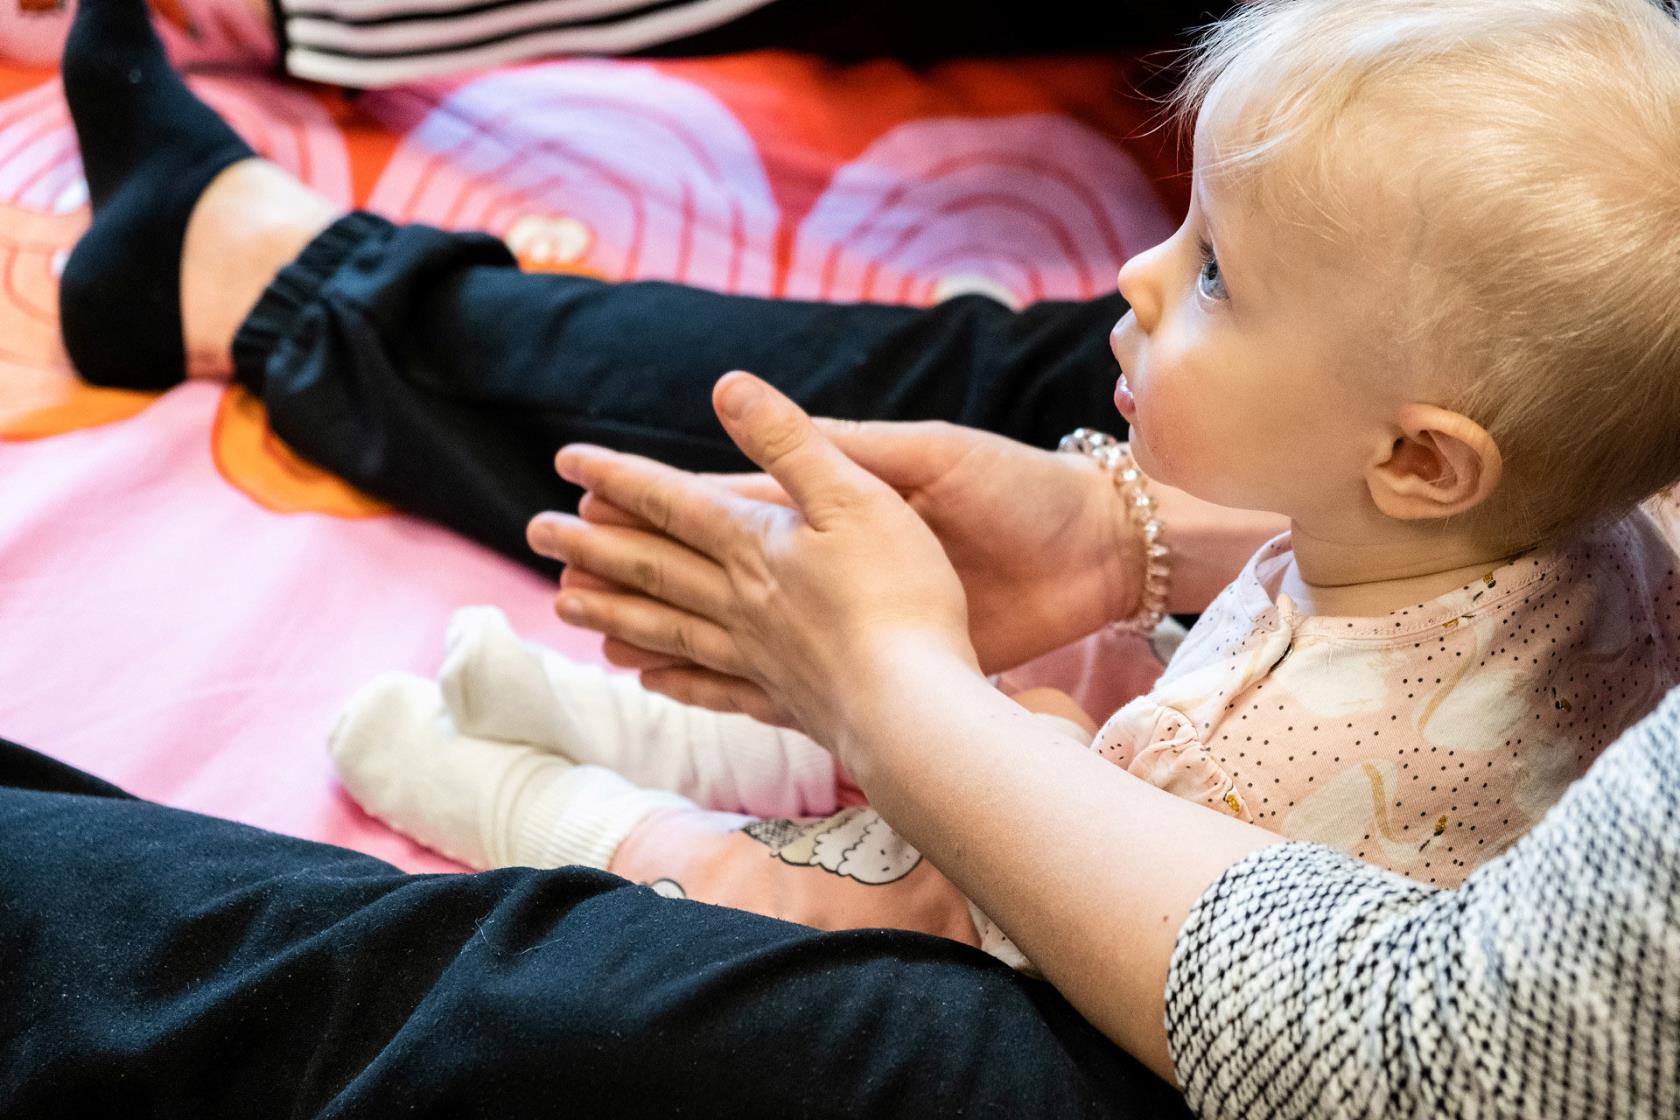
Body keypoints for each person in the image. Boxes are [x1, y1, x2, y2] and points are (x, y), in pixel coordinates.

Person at [26, 0, 1678, 1113]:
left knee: (768, 931)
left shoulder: (1285, 769)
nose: (1133, 269)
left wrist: (907, 705)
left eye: (1216, 274)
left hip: (1261, 1025)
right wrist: (1121, 528)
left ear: (1415, 458)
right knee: (1043, 445)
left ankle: (556, 801)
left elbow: (1002, 921)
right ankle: (263, 280)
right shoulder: (1560, 531)